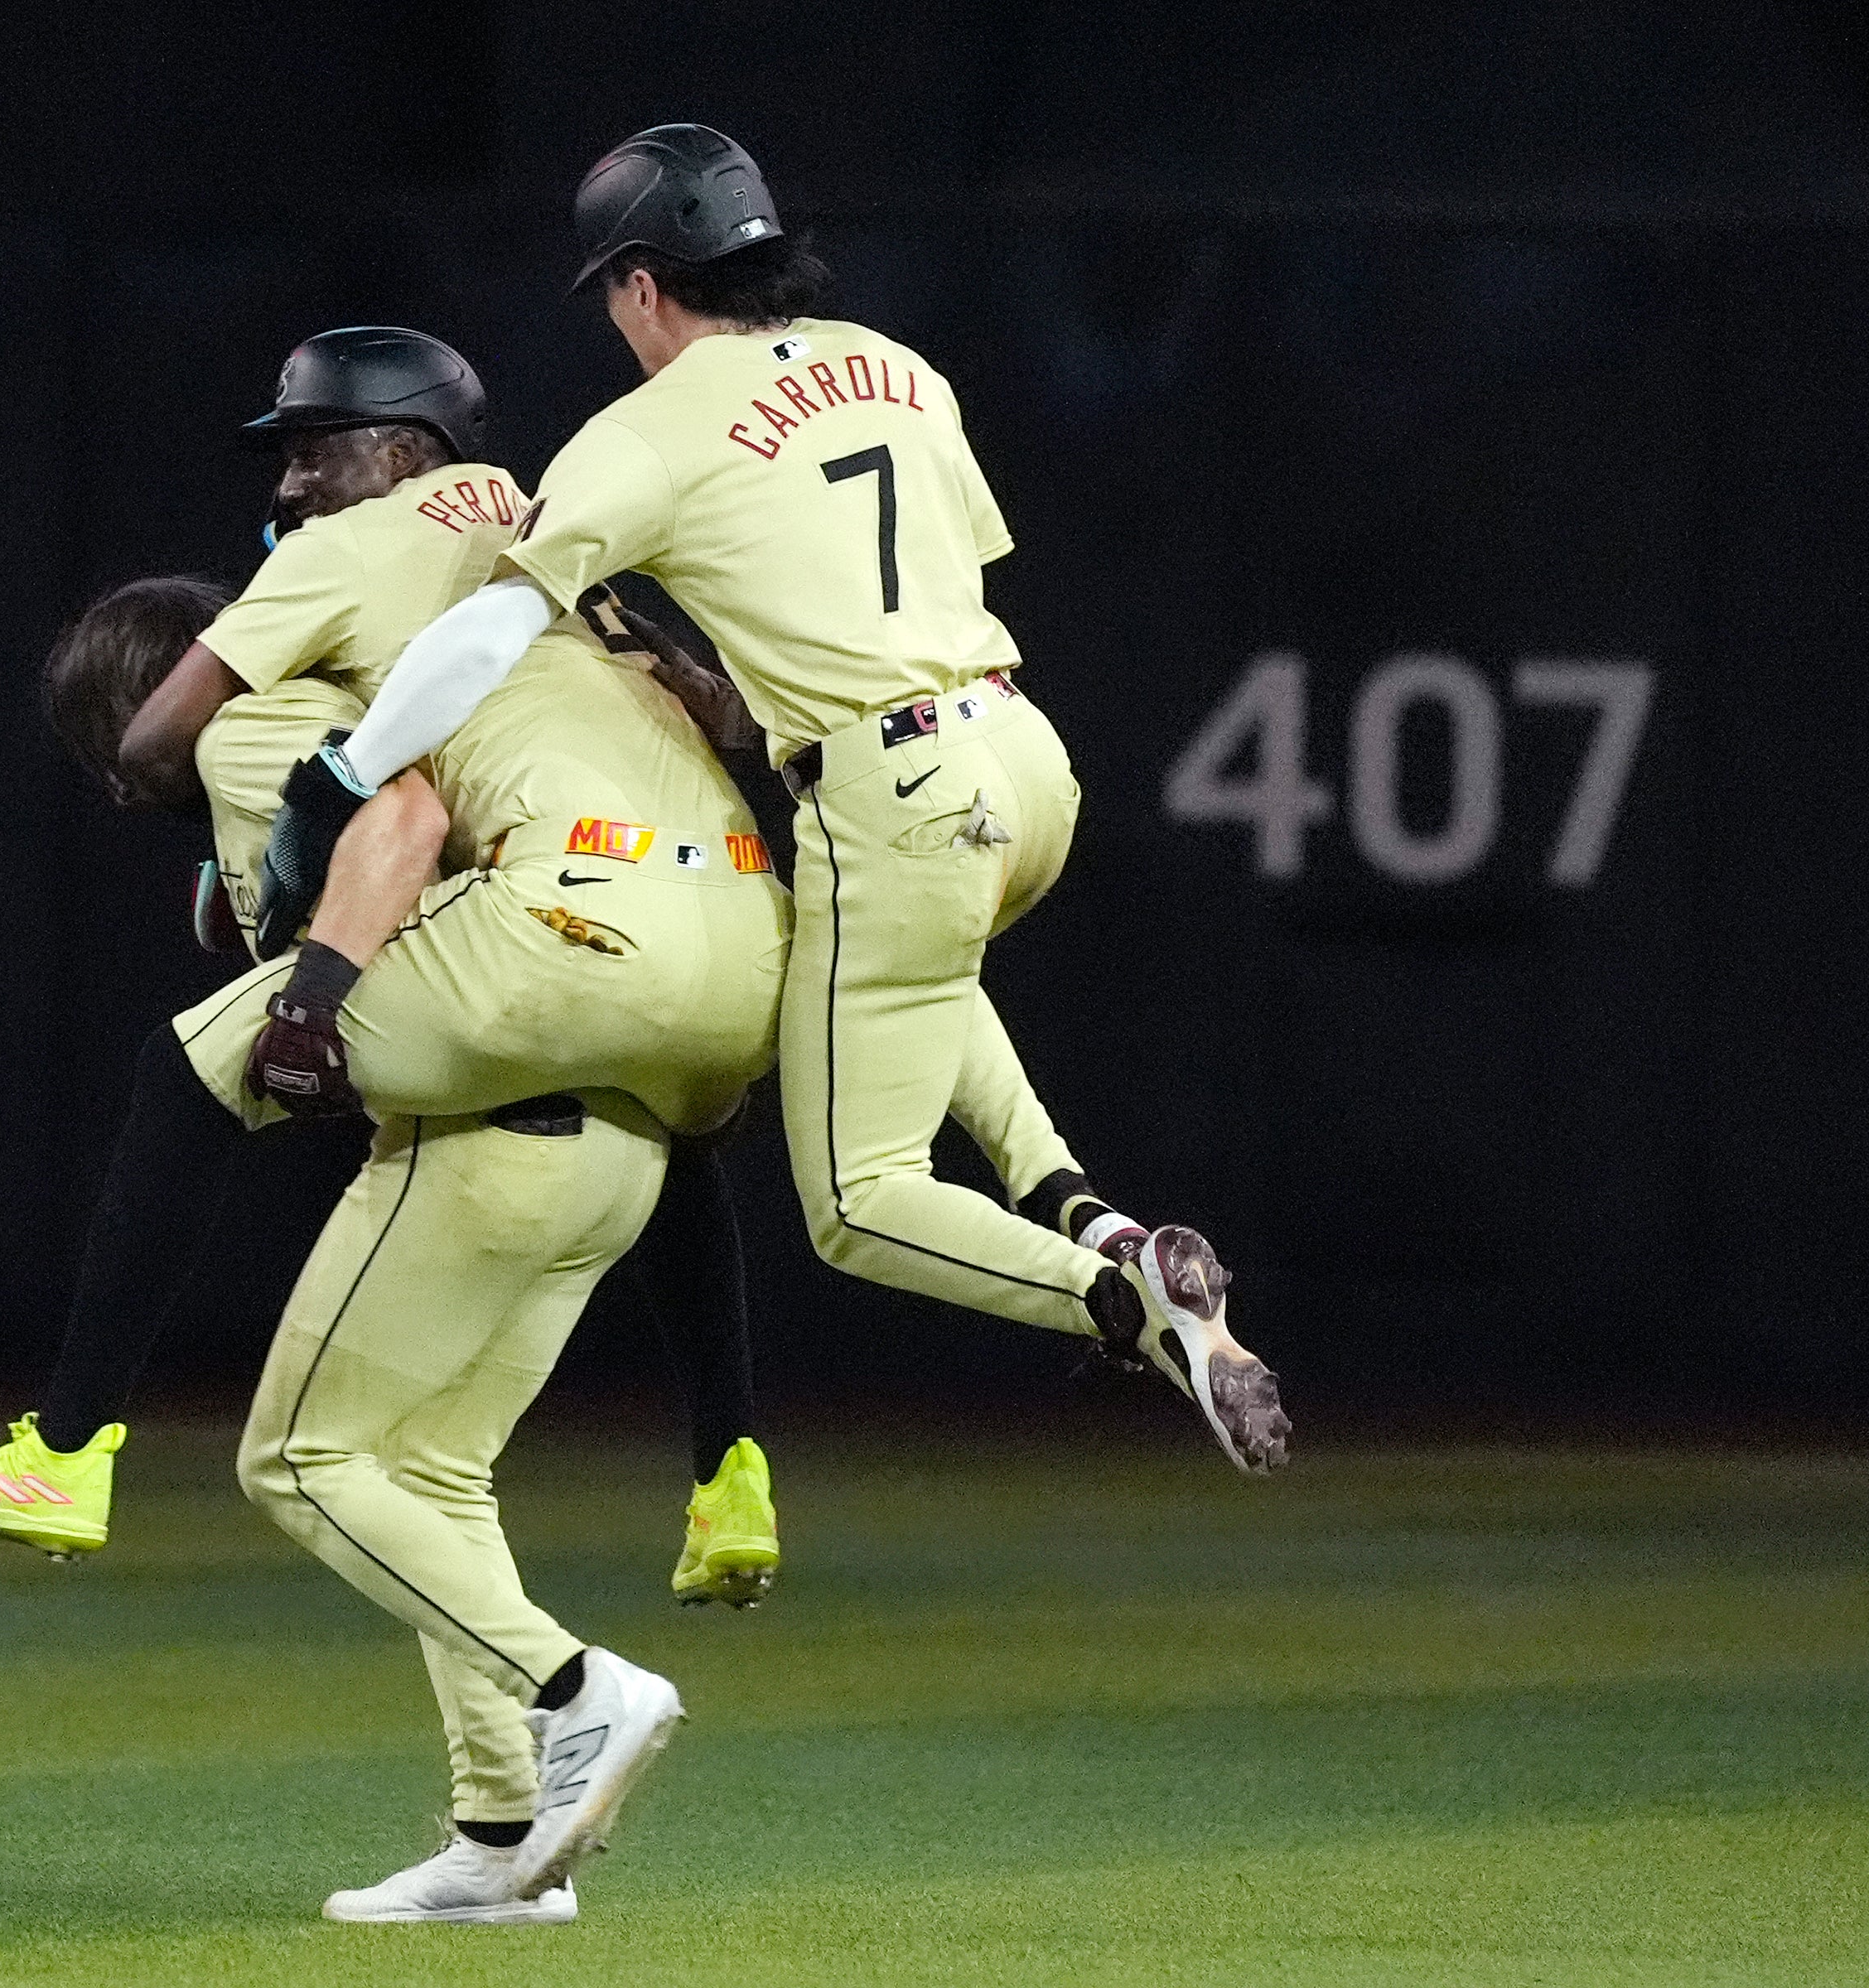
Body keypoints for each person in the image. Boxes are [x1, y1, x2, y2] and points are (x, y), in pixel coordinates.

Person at [0, 328, 794, 1919]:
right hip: (674, 1053)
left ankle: (80, 1450)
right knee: (432, 1480)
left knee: (295, 1438)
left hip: (544, 982)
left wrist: (295, 971)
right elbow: (716, 712)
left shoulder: (324, 595)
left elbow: (300, 781)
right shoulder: (568, 553)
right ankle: (509, 1841)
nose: (292, 485)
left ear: (402, 452)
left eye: (315, 447)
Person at [263, 129, 1292, 1474]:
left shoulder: (644, 429)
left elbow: (484, 636)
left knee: (862, 1201)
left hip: (892, 784)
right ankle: (1086, 1210)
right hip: (1022, 760)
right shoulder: (902, 374)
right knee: (898, 965)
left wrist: (340, 775)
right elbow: (911, 582)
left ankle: (1116, 1300)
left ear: (640, 284)